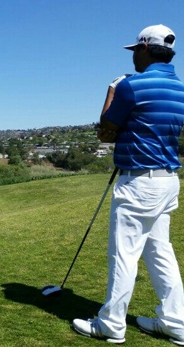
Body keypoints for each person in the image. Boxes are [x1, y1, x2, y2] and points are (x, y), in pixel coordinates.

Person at [72, 24, 184, 345]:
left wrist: (111, 90)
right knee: (160, 252)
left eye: (135, 50)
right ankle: (175, 322)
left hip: (137, 184)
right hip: (167, 182)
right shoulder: (180, 88)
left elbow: (105, 132)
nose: (134, 56)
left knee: (123, 255)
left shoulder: (130, 86)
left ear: (145, 48)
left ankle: (111, 324)